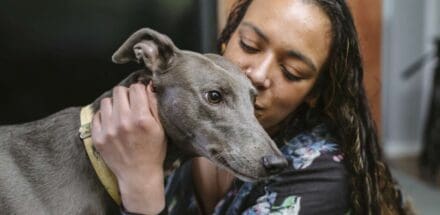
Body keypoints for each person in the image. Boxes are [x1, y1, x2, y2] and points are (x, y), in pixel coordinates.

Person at [91, 0, 412, 214]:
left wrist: (142, 186)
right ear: (225, 42)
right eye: (249, 45)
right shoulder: (173, 120)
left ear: (315, 93)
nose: (257, 75)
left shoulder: (322, 175)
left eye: (292, 72)